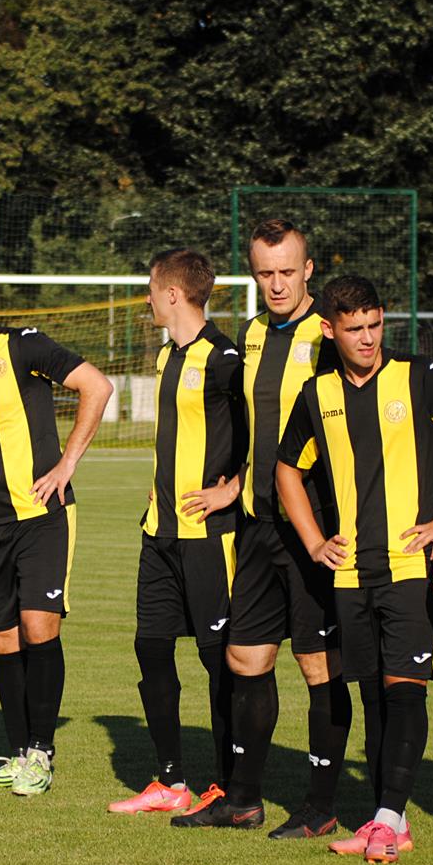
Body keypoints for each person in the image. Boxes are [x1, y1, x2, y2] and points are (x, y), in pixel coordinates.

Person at [275, 275, 433, 861]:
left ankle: (389, 818)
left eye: (375, 325)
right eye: (354, 328)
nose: (367, 338)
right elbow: (287, 470)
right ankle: (387, 815)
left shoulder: (422, 378)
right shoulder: (318, 394)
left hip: (412, 569)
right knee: (375, 698)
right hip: (351, 574)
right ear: (329, 329)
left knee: (405, 691)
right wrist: (313, 542)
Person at [0, 274, 114, 796]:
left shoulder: (22, 345)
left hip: (42, 517)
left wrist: (66, 465)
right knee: (1, 638)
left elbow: (96, 386)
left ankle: (42, 753)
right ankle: (16, 756)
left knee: (38, 628)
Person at [200, 218, 354, 835]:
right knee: (245, 657)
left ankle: (320, 808)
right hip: (258, 526)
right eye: (265, 273)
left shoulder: (329, 334)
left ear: (309, 269)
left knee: (319, 666)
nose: (277, 283)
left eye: (288, 271)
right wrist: (235, 482)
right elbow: (250, 424)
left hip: (315, 531)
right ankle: (243, 800)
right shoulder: (254, 333)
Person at [109, 248, 246, 819]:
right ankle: (169, 781)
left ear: (172, 294)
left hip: (209, 536)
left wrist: (232, 489)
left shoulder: (224, 358)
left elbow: (265, 429)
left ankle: (226, 783)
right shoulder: (168, 356)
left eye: (151, 288)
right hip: (159, 533)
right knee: (151, 648)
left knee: (220, 662)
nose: (146, 298)